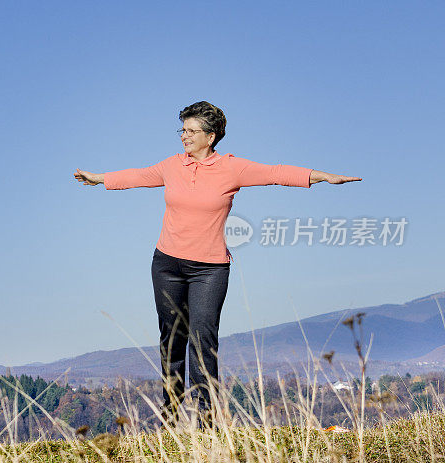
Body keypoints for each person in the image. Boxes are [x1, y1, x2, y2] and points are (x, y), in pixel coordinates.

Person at [73, 101, 361, 425]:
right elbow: (139, 175)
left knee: (202, 339)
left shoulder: (232, 168)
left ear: (210, 137)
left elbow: (275, 173)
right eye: (182, 130)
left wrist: (320, 176)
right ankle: (170, 412)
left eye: (191, 131)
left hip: (209, 269)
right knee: (172, 338)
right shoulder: (172, 166)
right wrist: (99, 178)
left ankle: (206, 419)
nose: (184, 136)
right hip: (167, 265)